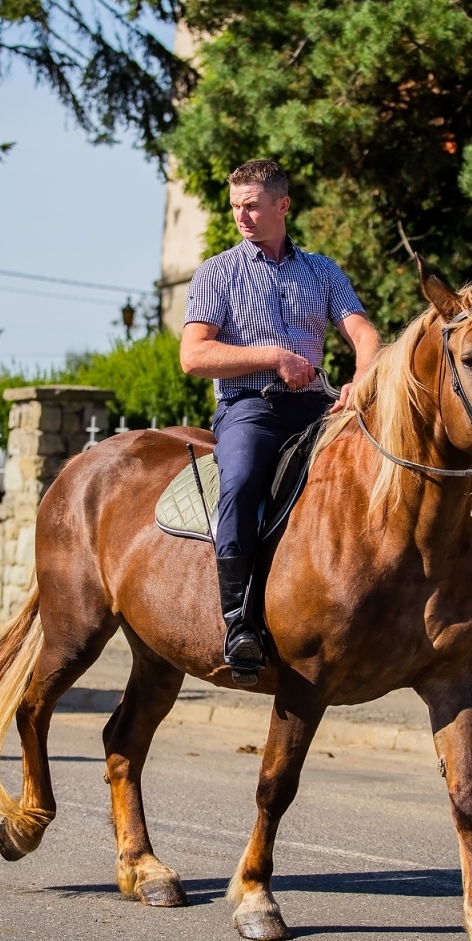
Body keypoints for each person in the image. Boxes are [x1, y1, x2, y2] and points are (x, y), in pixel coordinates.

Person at [180, 159, 381, 685]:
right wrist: (273, 355)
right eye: (236, 206)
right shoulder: (217, 272)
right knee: (243, 480)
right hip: (250, 409)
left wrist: (361, 380)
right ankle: (238, 623)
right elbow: (193, 357)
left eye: (251, 205)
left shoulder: (322, 272)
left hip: (319, 409)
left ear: (282, 206)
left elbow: (363, 335)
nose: (241, 216)